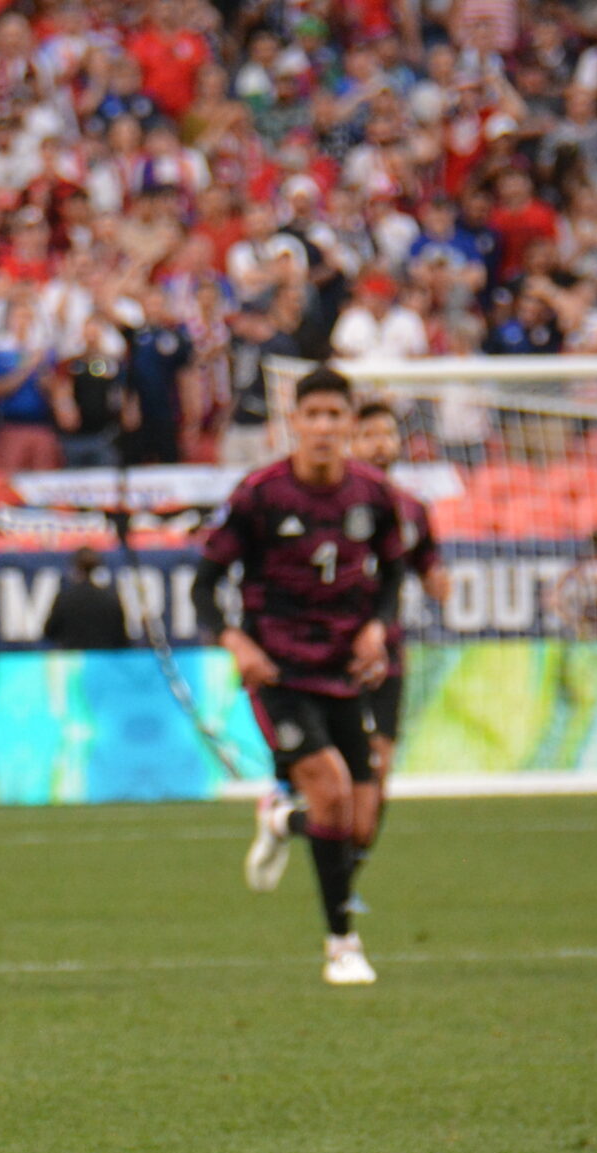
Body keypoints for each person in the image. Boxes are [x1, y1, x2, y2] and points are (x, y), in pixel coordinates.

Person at [194, 366, 407, 987]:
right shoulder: (260, 494)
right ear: (294, 422)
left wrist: (377, 626)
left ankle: (282, 821)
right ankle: (342, 943)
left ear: (349, 425)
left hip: (344, 669)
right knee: (333, 792)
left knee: (359, 823)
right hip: (279, 669)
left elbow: (394, 573)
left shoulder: (373, 494)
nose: (321, 428)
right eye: (310, 416)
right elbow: (205, 584)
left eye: (333, 416)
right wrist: (235, 641)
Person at [348, 399, 451, 897]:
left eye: (387, 434)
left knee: (380, 770)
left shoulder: (412, 508)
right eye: (369, 434)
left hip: (387, 654)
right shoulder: (333, 502)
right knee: (332, 771)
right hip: (333, 654)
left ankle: (351, 870)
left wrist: (438, 580)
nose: (380, 443)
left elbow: (428, 566)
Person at [42, 546, 131, 650]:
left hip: (74, 661)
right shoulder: (110, 598)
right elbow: (121, 637)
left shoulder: (65, 598)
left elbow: (50, 632)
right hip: (104, 660)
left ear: (75, 568)